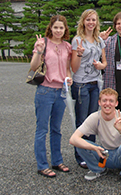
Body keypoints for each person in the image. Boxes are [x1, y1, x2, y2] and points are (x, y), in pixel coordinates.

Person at [30, 15, 72, 178]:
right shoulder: (43, 43)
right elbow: (34, 67)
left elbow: (67, 68)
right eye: (55, 27)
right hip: (45, 90)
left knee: (56, 128)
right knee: (42, 129)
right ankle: (42, 165)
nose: (58, 30)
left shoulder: (67, 46)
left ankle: (57, 160)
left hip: (61, 91)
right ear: (51, 28)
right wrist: (39, 51)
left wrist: (69, 78)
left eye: (61, 28)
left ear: (65, 29)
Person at [69, 88, 121, 184]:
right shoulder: (94, 117)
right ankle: (98, 169)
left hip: (120, 155)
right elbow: (73, 139)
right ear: (99, 102)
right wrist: (94, 148)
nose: (107, 104)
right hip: (103, 154)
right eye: (104, 100)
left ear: (116, 103)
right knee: (80, 144)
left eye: (111, 101)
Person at [70, 9, 107, 169]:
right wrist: (78, 54)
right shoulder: (77, 40)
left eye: (93, 20)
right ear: (83, 22)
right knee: (81, 120)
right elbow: (74, 67)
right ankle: (80, 155)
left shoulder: (99, 40)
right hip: (81, 84)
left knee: (93, 120)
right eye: (88, 20)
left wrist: (101, 65)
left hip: (95, 83)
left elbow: (104, 62)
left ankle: (91, 152)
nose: (91, 23)